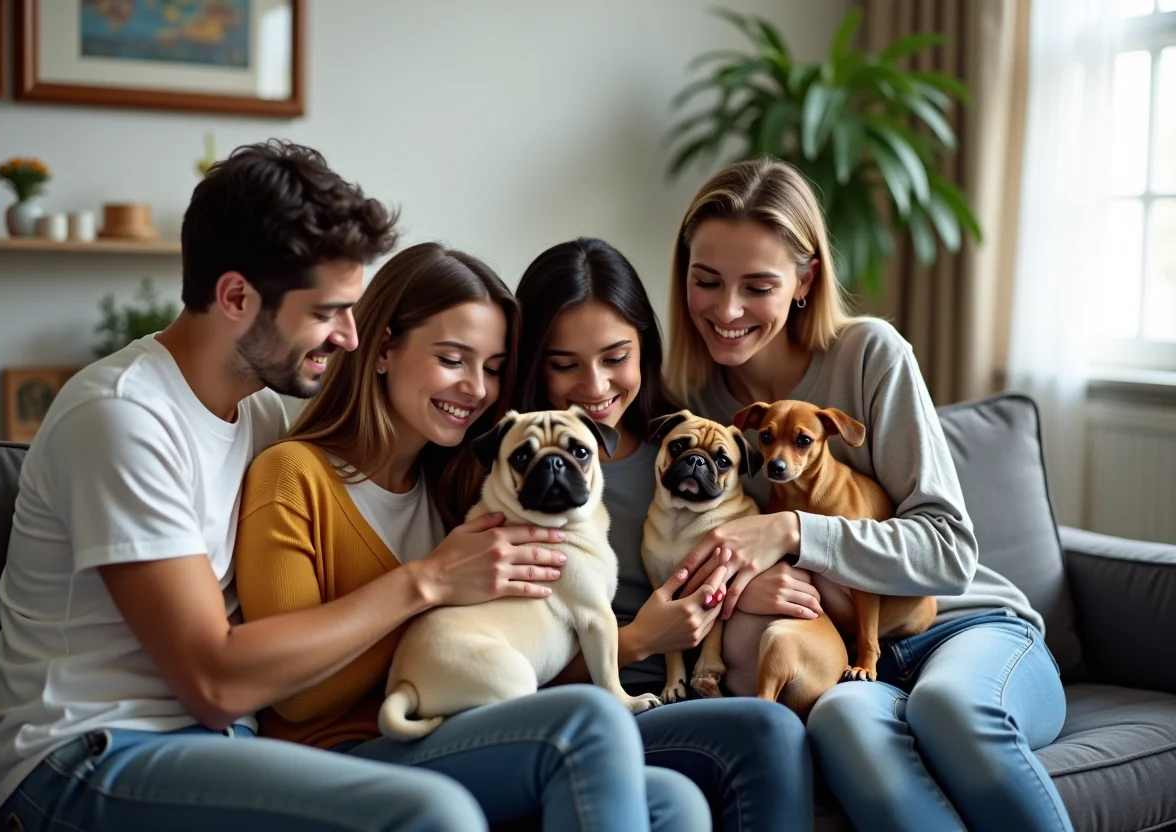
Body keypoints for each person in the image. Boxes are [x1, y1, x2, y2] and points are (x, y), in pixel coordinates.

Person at [0, 139, 500, 832]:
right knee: (431, 813)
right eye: (326, 312)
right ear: (235, 296)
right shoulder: (122, 416)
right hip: (82, 761)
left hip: (217, 748)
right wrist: (426, 580)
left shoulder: (258, 410)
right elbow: (216, 682)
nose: (348, 336)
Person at [231, 241, 711, 832]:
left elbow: (527, 636)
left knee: (676, 803)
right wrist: (428, 584)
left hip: (465, 725)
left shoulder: (463, 483)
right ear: (382, 349)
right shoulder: (292, 475)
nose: (478, 390)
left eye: (492, 367)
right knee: (587, 722)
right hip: (337, 752)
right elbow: (295, 696)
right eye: (454, 360)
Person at [665, 156, 1074, 832]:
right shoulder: (697, 414)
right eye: (706, 281)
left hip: (959, 628)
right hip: (852, 664)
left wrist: (796, 532)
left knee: (953, 711)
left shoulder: (869, 356)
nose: (727, 309)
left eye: (757, 285)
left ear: (804, 280)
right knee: (844, 728)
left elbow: (950, 552)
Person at [512, 237, 814, 831]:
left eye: (615, 355)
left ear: (646, 349)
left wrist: (739, 588)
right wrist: (639, 640)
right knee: (770, 729)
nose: (594, 386)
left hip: (693, 688)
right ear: (533, 362)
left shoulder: (681, 448)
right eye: (564, 363)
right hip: (594, 700)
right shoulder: (517, 474)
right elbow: (517, 669)